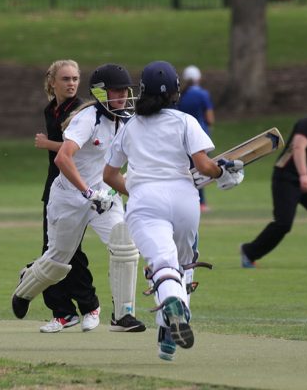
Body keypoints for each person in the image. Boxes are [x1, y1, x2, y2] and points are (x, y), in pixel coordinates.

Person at [103, 61, 244, 361]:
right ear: (175, 92)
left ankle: (171, 307)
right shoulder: (185, 122)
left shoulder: (130, 126)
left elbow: (110, 176)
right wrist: (224, 173)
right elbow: (204, 166)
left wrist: (137, 190)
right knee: (184, 264)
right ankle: (168, 334)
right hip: (185, 199)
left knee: (163, 264)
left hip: (145, 202)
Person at [12, 63, 146, 333]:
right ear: (100, 94)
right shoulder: (88, 118)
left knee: (124, 243)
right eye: (116, 92)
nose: (122, 97)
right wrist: (88, 192)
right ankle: (26, 288)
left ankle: (123, 316)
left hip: (104, 197)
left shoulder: (127, 122)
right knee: (58, 259)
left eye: (124, 92)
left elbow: (128, 166)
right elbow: (63, 158)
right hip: (69, 197)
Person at [240, 93, 307, 268]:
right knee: (283, 223)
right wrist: (303, 174)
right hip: (287, 178)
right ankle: (249, 252)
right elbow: (298, 148)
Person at [34, 60, 101, 333]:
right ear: (53, 83)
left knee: (66, 252)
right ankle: (65, 312)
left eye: (75, 78)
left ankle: (86, 306)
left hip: (80, 188)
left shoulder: (82, 110)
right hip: (55, 188)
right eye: (66, 79)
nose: (72, 83)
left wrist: (47, 144)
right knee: (53, 250)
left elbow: (79, 147)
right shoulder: (51, 110)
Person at [178, 65, 215, 212]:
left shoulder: (181, 95)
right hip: (200, 137)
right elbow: (210, 118)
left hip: (181, 136)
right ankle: (200, 202)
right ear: (198, 78)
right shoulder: (203, 94)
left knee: (186, 169)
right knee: (201, 169)